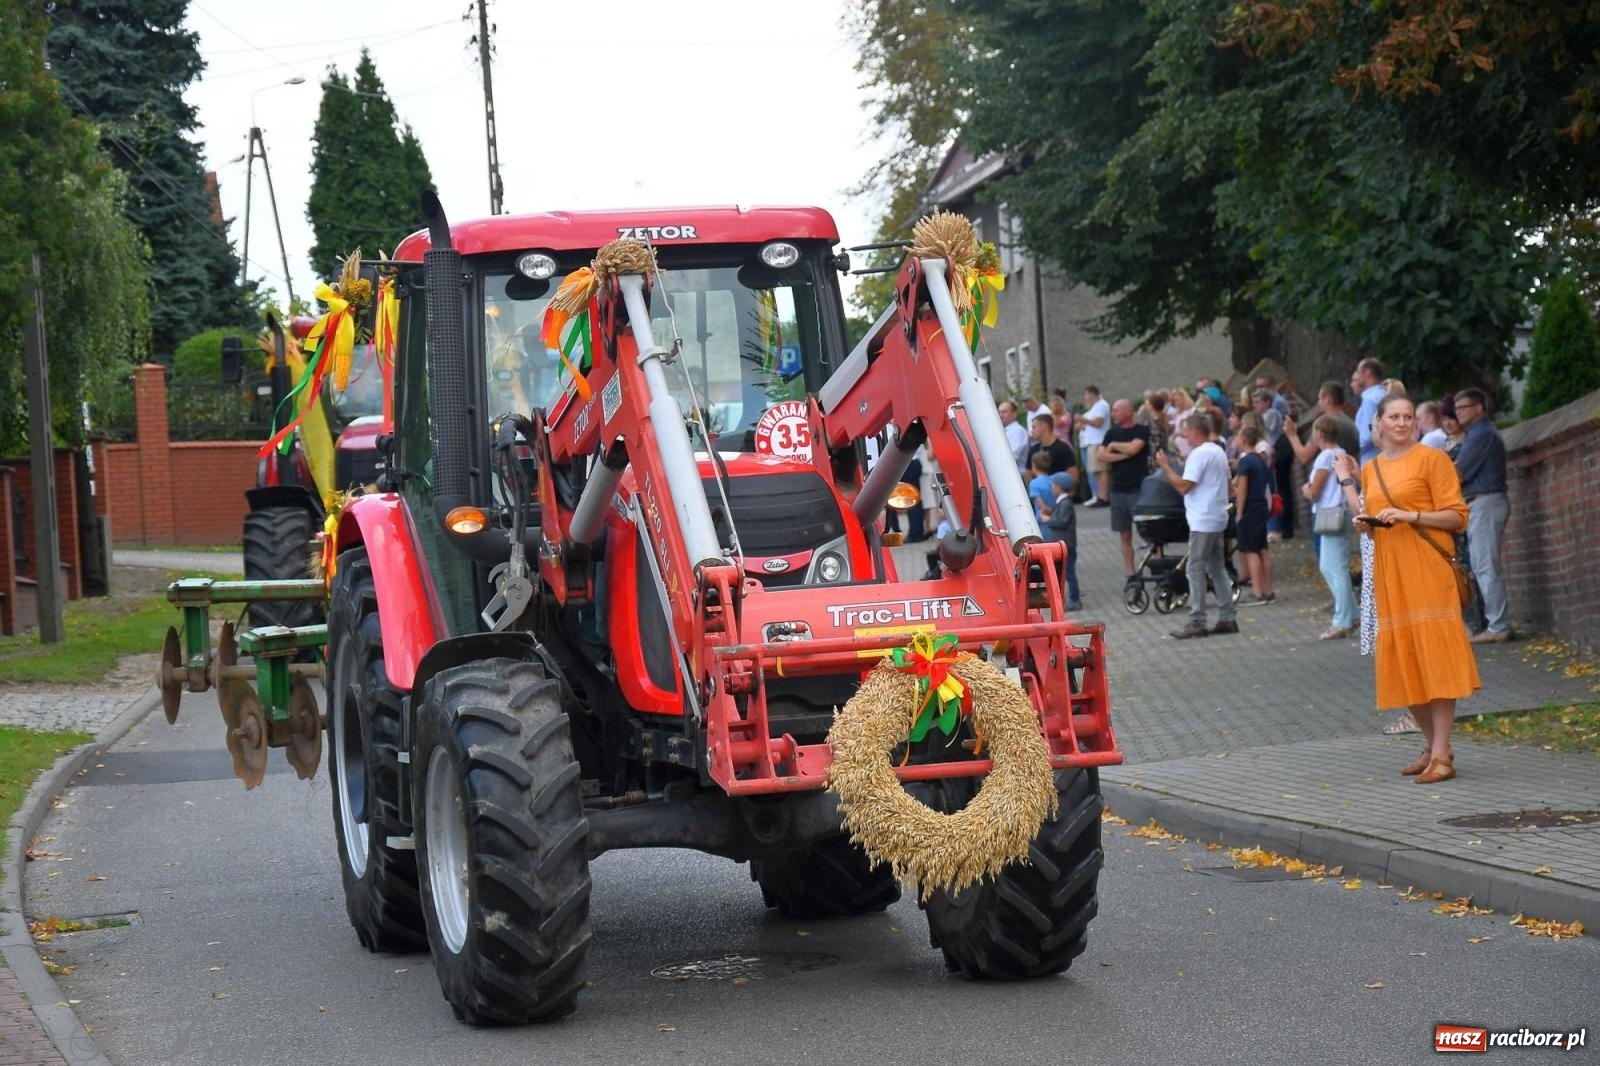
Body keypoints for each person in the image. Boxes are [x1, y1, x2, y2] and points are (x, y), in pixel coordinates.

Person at [1333, 393, 1478, 783]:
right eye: (1393, 416)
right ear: (1378, 422)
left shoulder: (1433, 460)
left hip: (1427, 570)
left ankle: (1443, 752)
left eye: (1408, 417)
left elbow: (1457, 517)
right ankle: (1433, 747)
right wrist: (1367, 523)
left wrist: (1410, 514)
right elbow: (1372, 511)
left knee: (1435, 660)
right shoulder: (1373, 466)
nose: (1401, 422)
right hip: (1390, 572)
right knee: (1405, 661)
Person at [1155, 411, 1237, 639]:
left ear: (1195, 431)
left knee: (1194, 568)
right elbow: (1230, 487)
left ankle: (1197, 620)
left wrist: (1165, 466)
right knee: (1217, 568)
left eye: (1186, 430)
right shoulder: (1218, 451)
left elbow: (1183, 487)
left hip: (1203, 519)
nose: (1185, 435)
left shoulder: (1199, 455)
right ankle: (1227, 616)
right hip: (1217, 516)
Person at [1452, 387, 1511, 643]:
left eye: (1463, 407)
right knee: (1482, 564)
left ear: (1478, 408)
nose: (1458, 413)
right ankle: (1497, 623)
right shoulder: (1476, 434)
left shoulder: (1481, 434)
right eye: (1456, 408)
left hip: (1485, 502)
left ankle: (1498, 627)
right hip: (1480, 504)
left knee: (1486, 566)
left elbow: (1458, 472)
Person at [1304, 415, 1356, 639]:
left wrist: (1307, 489)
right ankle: (1351, 612)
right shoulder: (1342, 452)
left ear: (1319, 434)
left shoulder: (1325, 456)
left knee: (1335, 568)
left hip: (1330, 512)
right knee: (1330, 566)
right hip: (1339, 511)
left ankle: (1342, 620)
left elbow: (1314, 491)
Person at [1098, 399, 1150, 579]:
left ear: (1128, 412)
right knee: (1124, 534)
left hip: (1138, 488)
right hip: (1118, 490)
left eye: (1116, 410)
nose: (1113, 414)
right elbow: (1101, 455)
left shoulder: (1142, 431)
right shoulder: (1111, 433)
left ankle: (1157, 563)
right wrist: (1124, 454)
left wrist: (1114, 447)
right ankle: (1130, 571)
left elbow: (1136, 448)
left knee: (1148, 531)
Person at [1233, 425, 1275, 605]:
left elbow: (1242, 489)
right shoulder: (1260, 460)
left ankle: (1257, 591)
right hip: (1261, 505)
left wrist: (1239, 512)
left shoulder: (1245, 462)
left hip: (1249, 508)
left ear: (1243, 440)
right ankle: (1268, 589)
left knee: (1251, 550)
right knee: (1263, 548)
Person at [1041, 471, 1082, 611]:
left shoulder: (1066, 503)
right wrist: (1051, 512)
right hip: (1064, 545)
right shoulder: (1063, 503)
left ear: (1059, 487)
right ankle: (1064, 599)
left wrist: (1049, 520)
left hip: (1066, 546)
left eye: (1053, 485)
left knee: (1069, 573)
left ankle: (1075, 600)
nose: (1052, 488)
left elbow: (1062, 521)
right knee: (1064, 572)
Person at [1351, 357, 1388, 464]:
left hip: (1371, 460)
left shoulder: (1370, 400)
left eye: (1359, 371)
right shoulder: (1384, 394)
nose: (1357, 376)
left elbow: (1367, 434)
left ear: (1368, 373)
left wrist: (1351, 449)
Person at [1078, 386, 1111, 506]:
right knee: (1096, 470)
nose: (1086, 398)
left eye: (1087, 395)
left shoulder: (1101, 405)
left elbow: (1098, 422)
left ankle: (1104, 497)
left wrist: (1082, 419)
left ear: (1093, 394)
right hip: (1092, 442)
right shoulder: (1095, 407)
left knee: (1101, 470)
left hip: (1098, 441)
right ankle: (1100, 496)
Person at [1025, 411, 1078, 480]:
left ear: (1044, 426)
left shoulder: (1063, 448)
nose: (1032, 431)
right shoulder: (1033, 450)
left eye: (1034, 427)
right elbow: (1028, 475)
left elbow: (1073, 477)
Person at [998, 400, 1029, 472]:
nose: (1000, 415)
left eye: (1004, 412)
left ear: (1014, 414)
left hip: (1017, 477)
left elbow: (1013, 456)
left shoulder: (1018, 431)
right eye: (999, 412)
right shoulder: (1004, 431)